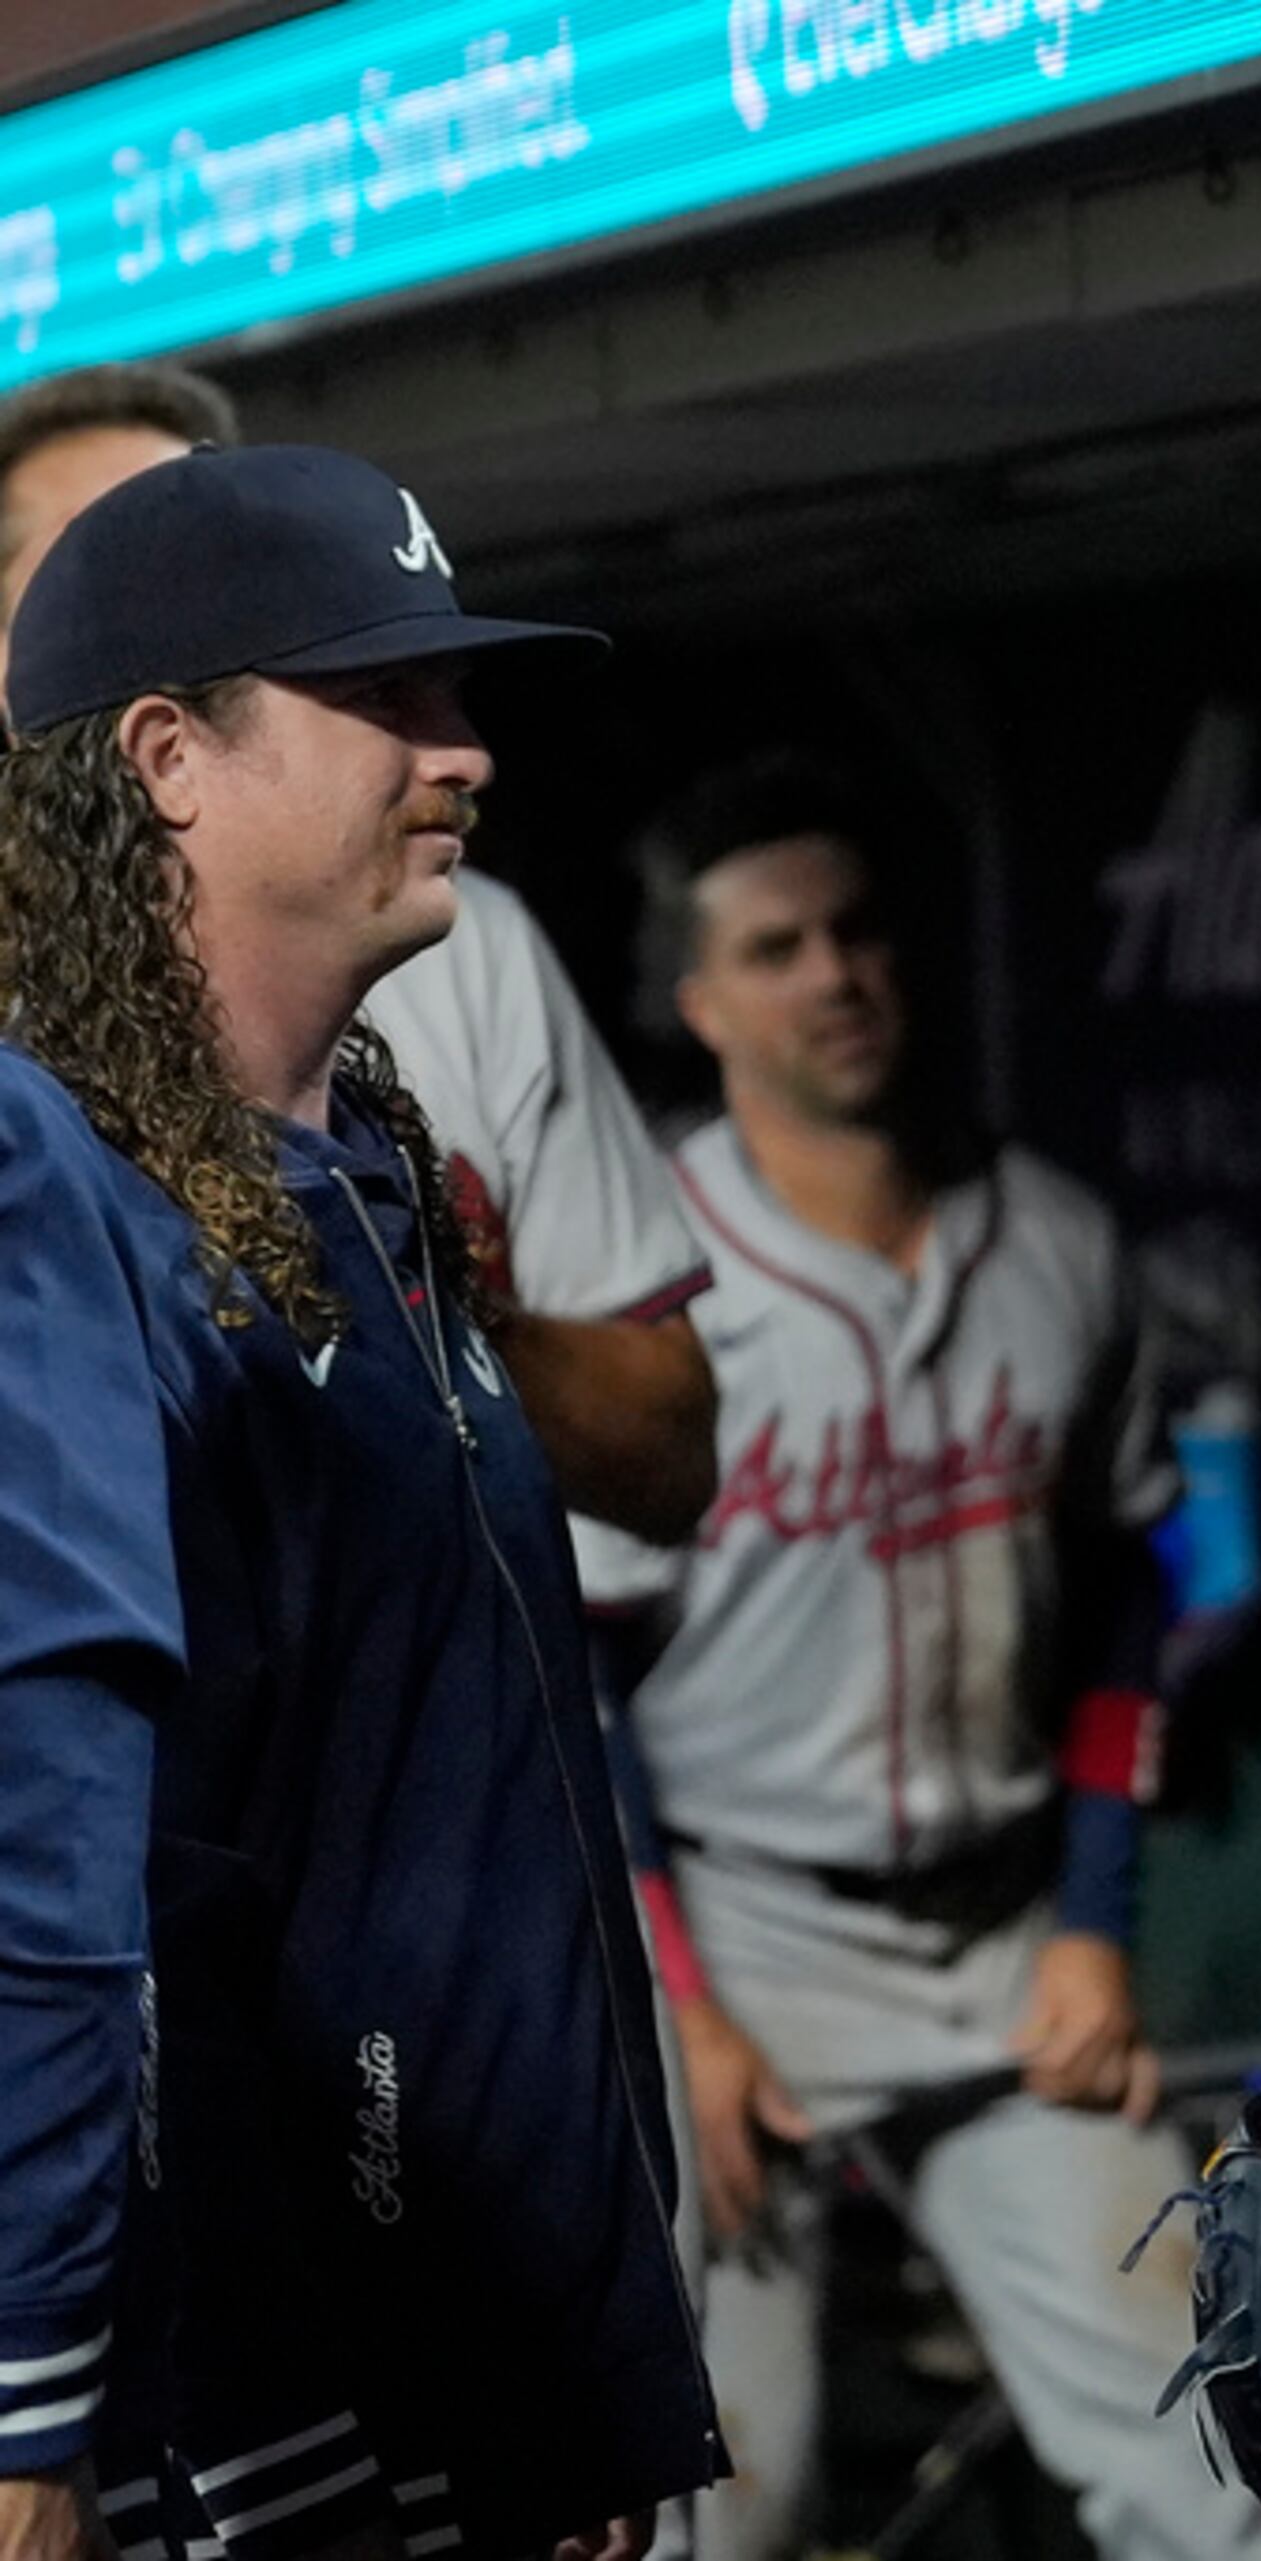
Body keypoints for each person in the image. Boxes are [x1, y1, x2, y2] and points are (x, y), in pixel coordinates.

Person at [0, 444, 722, 2561]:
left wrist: (576, 2349)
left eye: (462, 693)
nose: (465, 750)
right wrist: (27, 2384)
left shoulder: (376, 1177)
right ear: (170, 761)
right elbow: (44, 1821)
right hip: (228, 2368)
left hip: (459, 2341)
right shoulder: (50, 1177)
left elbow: (472, 1807)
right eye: (383, 695)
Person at [598, 758, 1261, 2561]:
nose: (834, 973)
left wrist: (1091, 1922)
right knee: (724, 2502)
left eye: (858, 932)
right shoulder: (641, 1280)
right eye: (776, 945)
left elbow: (1135, 1601)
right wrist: (681, 2003)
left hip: (998, 1933)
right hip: (731, 1929)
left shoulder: (1057, 1238)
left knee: (1213, 2471)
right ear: (699, 1000)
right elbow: (569, 1677)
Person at [0, 360, 719, 1543]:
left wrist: (404, 1297)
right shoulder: (38, 1145)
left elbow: (669, 1455)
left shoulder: (429, 1002)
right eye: (384, 689)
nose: (466, 756)